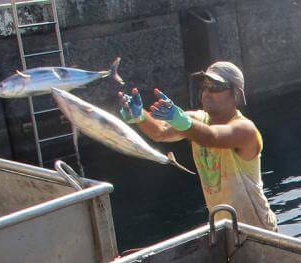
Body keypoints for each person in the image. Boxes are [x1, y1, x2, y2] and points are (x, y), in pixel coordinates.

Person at [118, 61, 278, 231]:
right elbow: (160, 132)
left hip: (259, 230)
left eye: (216, 86)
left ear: (236, 95)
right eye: (205, 85)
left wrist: (182, 122)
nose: (207, 93)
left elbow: (212, 137)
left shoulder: (245, 130)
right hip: (223, 228)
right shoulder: (197, 119)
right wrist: (140, 116)